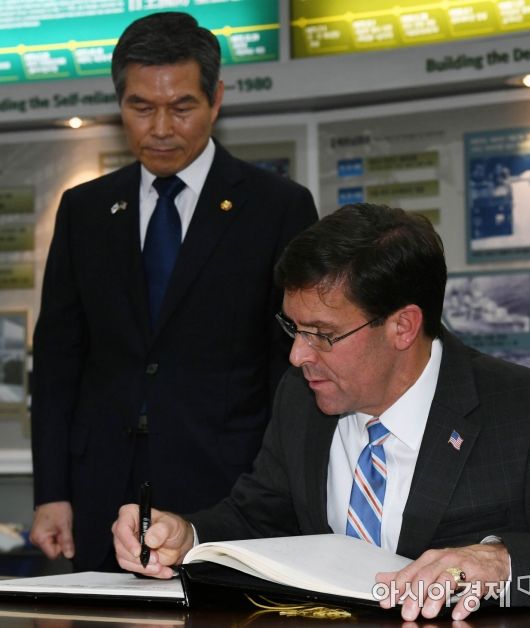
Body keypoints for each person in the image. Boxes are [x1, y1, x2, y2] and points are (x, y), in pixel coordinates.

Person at [112, 203, 530, 620]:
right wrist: (186, 535)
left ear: (403, 326)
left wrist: (502, 561)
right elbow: (260, 517)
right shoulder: (301, 397)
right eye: (293, 328)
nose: (297, 355)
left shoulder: (528, 411)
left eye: (322, 334)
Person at [29, 11, 317, 572]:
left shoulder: (277, 207)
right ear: (119, 104)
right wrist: (51, 492)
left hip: (229, 491)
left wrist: (284, 490)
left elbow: (290, 363)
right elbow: (59, 359)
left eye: (182, 107)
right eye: (141, 107)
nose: (161, 128)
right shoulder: (85, 210)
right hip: (99, 491)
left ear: (216, 99)